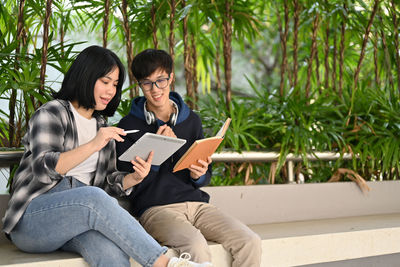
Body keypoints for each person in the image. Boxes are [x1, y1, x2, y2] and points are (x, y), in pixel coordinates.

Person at [1, 45, 211, 267]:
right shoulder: (53, 113)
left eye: (115, 84)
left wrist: (135, 178)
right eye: (105, 81)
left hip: (78, 220)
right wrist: (94, 144)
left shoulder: (101, 125)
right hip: (33, 220)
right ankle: (166, 263)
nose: (111, 91)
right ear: (86, 77)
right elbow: (44, 170)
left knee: (111, 254)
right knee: (93, 197)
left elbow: (108, 183)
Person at [116, 49, 262, 267]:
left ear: (171, 77)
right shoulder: (128, 127)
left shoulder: (191, 121)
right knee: (195, 246)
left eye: (161, 81)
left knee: (250, 241)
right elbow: (129, 183)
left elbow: (204, 176)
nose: (155, 90)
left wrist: (199, 175)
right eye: (147, 83)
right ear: (139, 85)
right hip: (156, 209)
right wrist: (157, 148)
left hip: (198, 205)